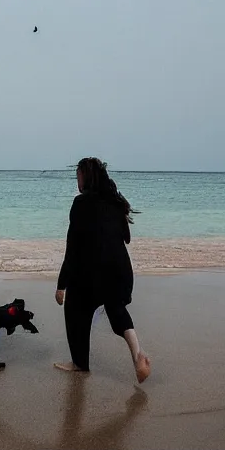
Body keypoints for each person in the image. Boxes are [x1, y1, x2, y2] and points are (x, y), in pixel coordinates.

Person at [53, 157, 151, 382]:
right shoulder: (116, 202)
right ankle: (138, 355)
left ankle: (79, 363)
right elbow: (125, 237)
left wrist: (61, 285)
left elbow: (73, 247)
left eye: (78, 175)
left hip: (94, 274)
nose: (76, 181)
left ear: (86, 177)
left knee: (75, 308)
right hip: (121, 272)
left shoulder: (80, 203)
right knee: (116, 310)